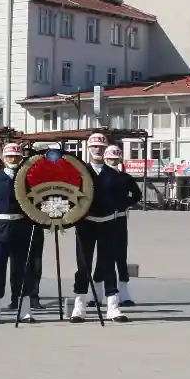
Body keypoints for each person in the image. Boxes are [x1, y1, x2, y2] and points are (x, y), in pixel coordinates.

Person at [0, 142, 36, 324]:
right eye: (10, 156)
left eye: (17, 157)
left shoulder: (27, 179)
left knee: (22, 269)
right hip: (1, 227)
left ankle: (24, 310)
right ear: (4, 158)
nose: (13, 160)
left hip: (21, 227)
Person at [70, 133, 126, 323]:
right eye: (94, 147)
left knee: (108, 265)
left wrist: (116, 208)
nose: (98, 150)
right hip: (85, 223)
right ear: (89, 148)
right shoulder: (81, 172)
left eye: (101, 148)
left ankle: (113, 307)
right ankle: (79, 307)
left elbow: (124, 196)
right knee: (83, 265)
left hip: (108, 223)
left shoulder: (113, 174)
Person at [103, 145, 142, 306]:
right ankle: (97, 293)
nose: (113, 161)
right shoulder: (99, 176)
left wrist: (124, 204)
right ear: (105, 158)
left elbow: (137, 194)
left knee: (120, 255)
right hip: (102, 219)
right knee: (103, 257)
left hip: (119, 219)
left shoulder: (125, 178)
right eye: (111, 158)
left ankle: (124, 292)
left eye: (116, 158)